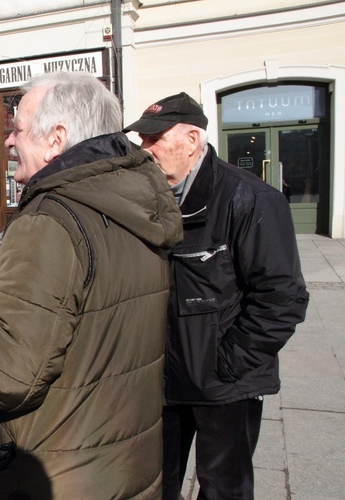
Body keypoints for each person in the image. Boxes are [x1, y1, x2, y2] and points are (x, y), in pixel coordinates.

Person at [0, 71, 183, 499]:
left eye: (16, 129)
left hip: (56, 472)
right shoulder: (135, 204)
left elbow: (5, 376)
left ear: (56, 139)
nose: (9, 142)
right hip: (125, 464)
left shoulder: (48, 221)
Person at [124, 92, 310, 499]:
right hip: (161, 380)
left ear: (192, 139)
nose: (145, 149)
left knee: (224, 489)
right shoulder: (146, 201)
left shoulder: (250, 198)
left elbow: (284, 297)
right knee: (154, 485)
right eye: (143, 140)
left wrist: (228, 363)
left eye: (155, 139)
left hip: (224, 385)